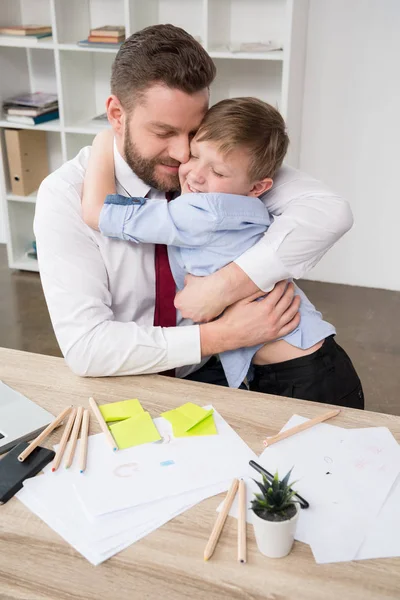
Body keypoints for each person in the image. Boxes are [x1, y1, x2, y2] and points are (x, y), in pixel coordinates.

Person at [34, 24, 354, 393]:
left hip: (222, 375)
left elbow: (330, 212)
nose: (183, 154)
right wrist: (221, 335)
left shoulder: (213, 165)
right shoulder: (65, 195)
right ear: (117, 115)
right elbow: (88, 350)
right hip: (127, 382)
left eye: (193, 132)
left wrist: (224, 286)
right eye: (164, 132)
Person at [81, 97, 363, 409]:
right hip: (312, 363)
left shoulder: (203, 210)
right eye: (195, 154)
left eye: (217, 170)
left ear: (258, 187)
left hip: (302, 378)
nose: (195, 175)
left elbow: (98, 212)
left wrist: (104, 140)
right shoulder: (245, 204)